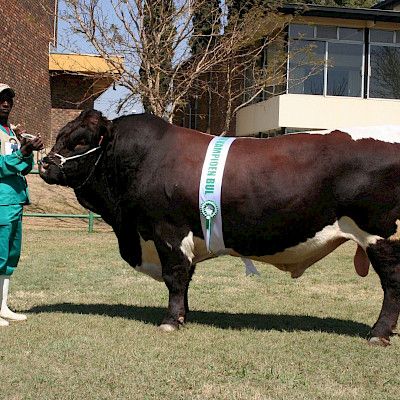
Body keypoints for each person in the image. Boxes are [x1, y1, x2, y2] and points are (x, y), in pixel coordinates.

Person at [0, 83, 44, 327]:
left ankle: (2, 307)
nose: (6, 103)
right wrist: (20, 154)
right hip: (1, 200)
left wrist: (28, 151)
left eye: (9, 99)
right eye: (1, 99)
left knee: (10, 256)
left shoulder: (11, 131)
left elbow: (23, 168)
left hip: (15, 200)